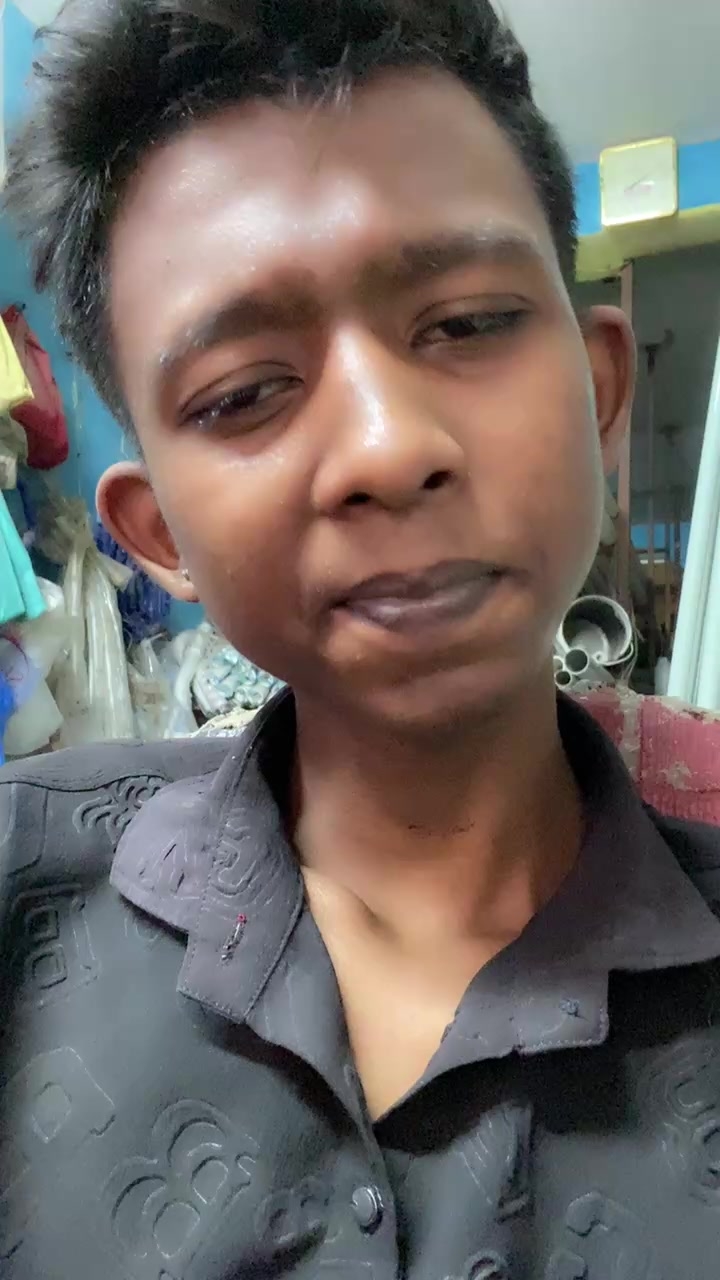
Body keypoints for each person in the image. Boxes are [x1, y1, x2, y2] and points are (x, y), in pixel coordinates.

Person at [2, 1, 720, 1276]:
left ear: (602, 392)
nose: (389, 448)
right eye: (246, 392)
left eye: (467, 322)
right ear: (158, 532)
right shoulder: (21, 894)